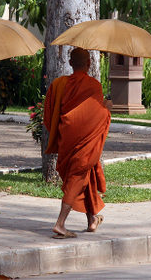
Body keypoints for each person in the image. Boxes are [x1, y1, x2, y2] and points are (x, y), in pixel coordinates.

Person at [43, 47, 111, 239]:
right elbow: (96, 115)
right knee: (77, 177)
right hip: (85, 140)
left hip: (67, 140)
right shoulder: (94, 86)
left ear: (70, 63)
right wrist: (107, 109)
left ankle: (92, 220)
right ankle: (60, 223)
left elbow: (48, 116)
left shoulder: (59, 84)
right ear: (89, 64)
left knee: (84, 175)